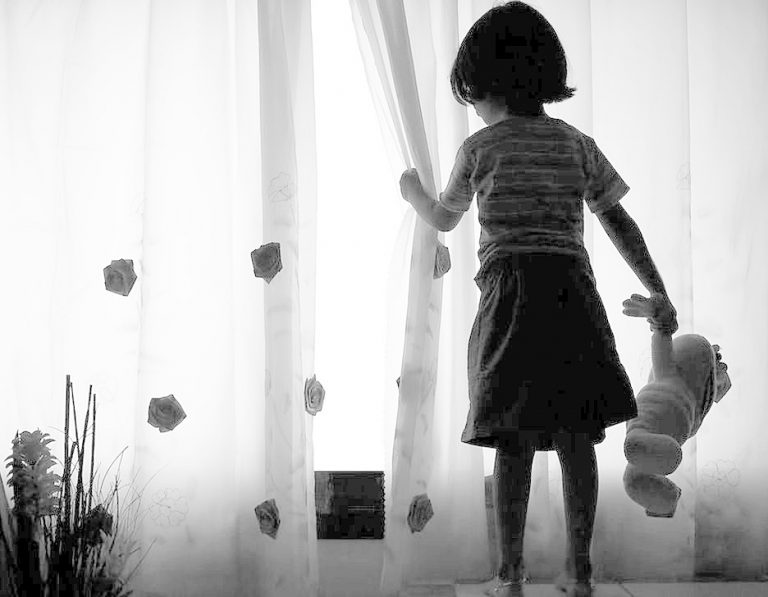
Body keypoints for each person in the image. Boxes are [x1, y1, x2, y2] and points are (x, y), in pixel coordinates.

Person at [397, 2, 678, 596]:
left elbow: (444, 219)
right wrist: (658, 287)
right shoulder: (576, 143)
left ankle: (511, 573)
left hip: (510, 300)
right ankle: (581, 571)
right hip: (572, 295)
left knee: (512, 440)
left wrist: (412, 192)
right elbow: (618, 221)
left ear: (482, 84)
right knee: (578, 438)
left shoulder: (480, 148)